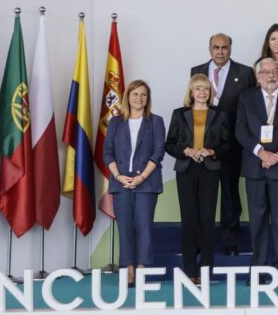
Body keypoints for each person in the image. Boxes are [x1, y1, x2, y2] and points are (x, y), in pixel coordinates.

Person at [190, 33, 256, 255]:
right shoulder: (196, 71)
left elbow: (248, 109)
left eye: (224, 47)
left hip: (232, 146)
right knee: (202, 196)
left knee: (230, 195)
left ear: (230, 48)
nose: (220, 51)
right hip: (201, 147)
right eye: (216, 47)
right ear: (209, 49)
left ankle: (230, 243)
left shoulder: (245, 73)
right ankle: (200, 243)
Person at [236, 58, 278, 273]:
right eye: (266, 72)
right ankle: (259, 269)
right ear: (258, 76)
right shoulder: (246, 98)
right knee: (257, 221)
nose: (271, 75)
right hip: (256, 168)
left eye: (275, 71)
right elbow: (241, 131)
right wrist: (261, 153)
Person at [165, 74, 230, 283]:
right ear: (191, 92)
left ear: (210, 92)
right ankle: (190, 271)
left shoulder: (220, 114)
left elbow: (228, 144)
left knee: (207, 220)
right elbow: (169, 144)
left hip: (210, 170)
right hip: (186, 170)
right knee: (189, 220)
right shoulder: (179, 114)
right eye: (198, 89)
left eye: (205, 89)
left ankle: (205, 271)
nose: (202, 93)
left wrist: (211, 151)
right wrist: (185, 151)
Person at [105, 80, 166, 286]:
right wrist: (118, 176)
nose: (139, 98)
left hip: (146, 181)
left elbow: (158, 153)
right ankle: (128, 268)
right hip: (121, 181)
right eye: (135, 94)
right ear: (127, 97)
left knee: (144, 227)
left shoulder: (155, 121)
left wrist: (141, 178)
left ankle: (141, 268)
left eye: (144, 95)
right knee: (125, 228)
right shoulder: (115, 122)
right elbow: (107, 153)